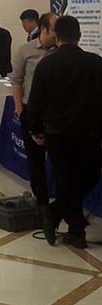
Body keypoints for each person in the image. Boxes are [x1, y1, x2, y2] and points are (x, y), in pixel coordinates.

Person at [29, 15, 102, 249]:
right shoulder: (96, 63)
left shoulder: (47, 64)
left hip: (57, 134)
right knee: (88, 176)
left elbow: (36, 101)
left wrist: (35, 128)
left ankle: (55, 212)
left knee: (65, 179)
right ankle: (75, 231)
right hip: (89, 133)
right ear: (79, 35)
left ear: (56, 36)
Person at [11, 13, 57, 207]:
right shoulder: (25, 50)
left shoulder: (61, 51)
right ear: (44, 29)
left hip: (56, 113)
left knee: (59, 159)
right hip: (31, 110)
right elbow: (17, 80)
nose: (58, 33)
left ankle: (62, 203)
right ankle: (42, 201)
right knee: (35, 159)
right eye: (55, 29)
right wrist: (20, 109)